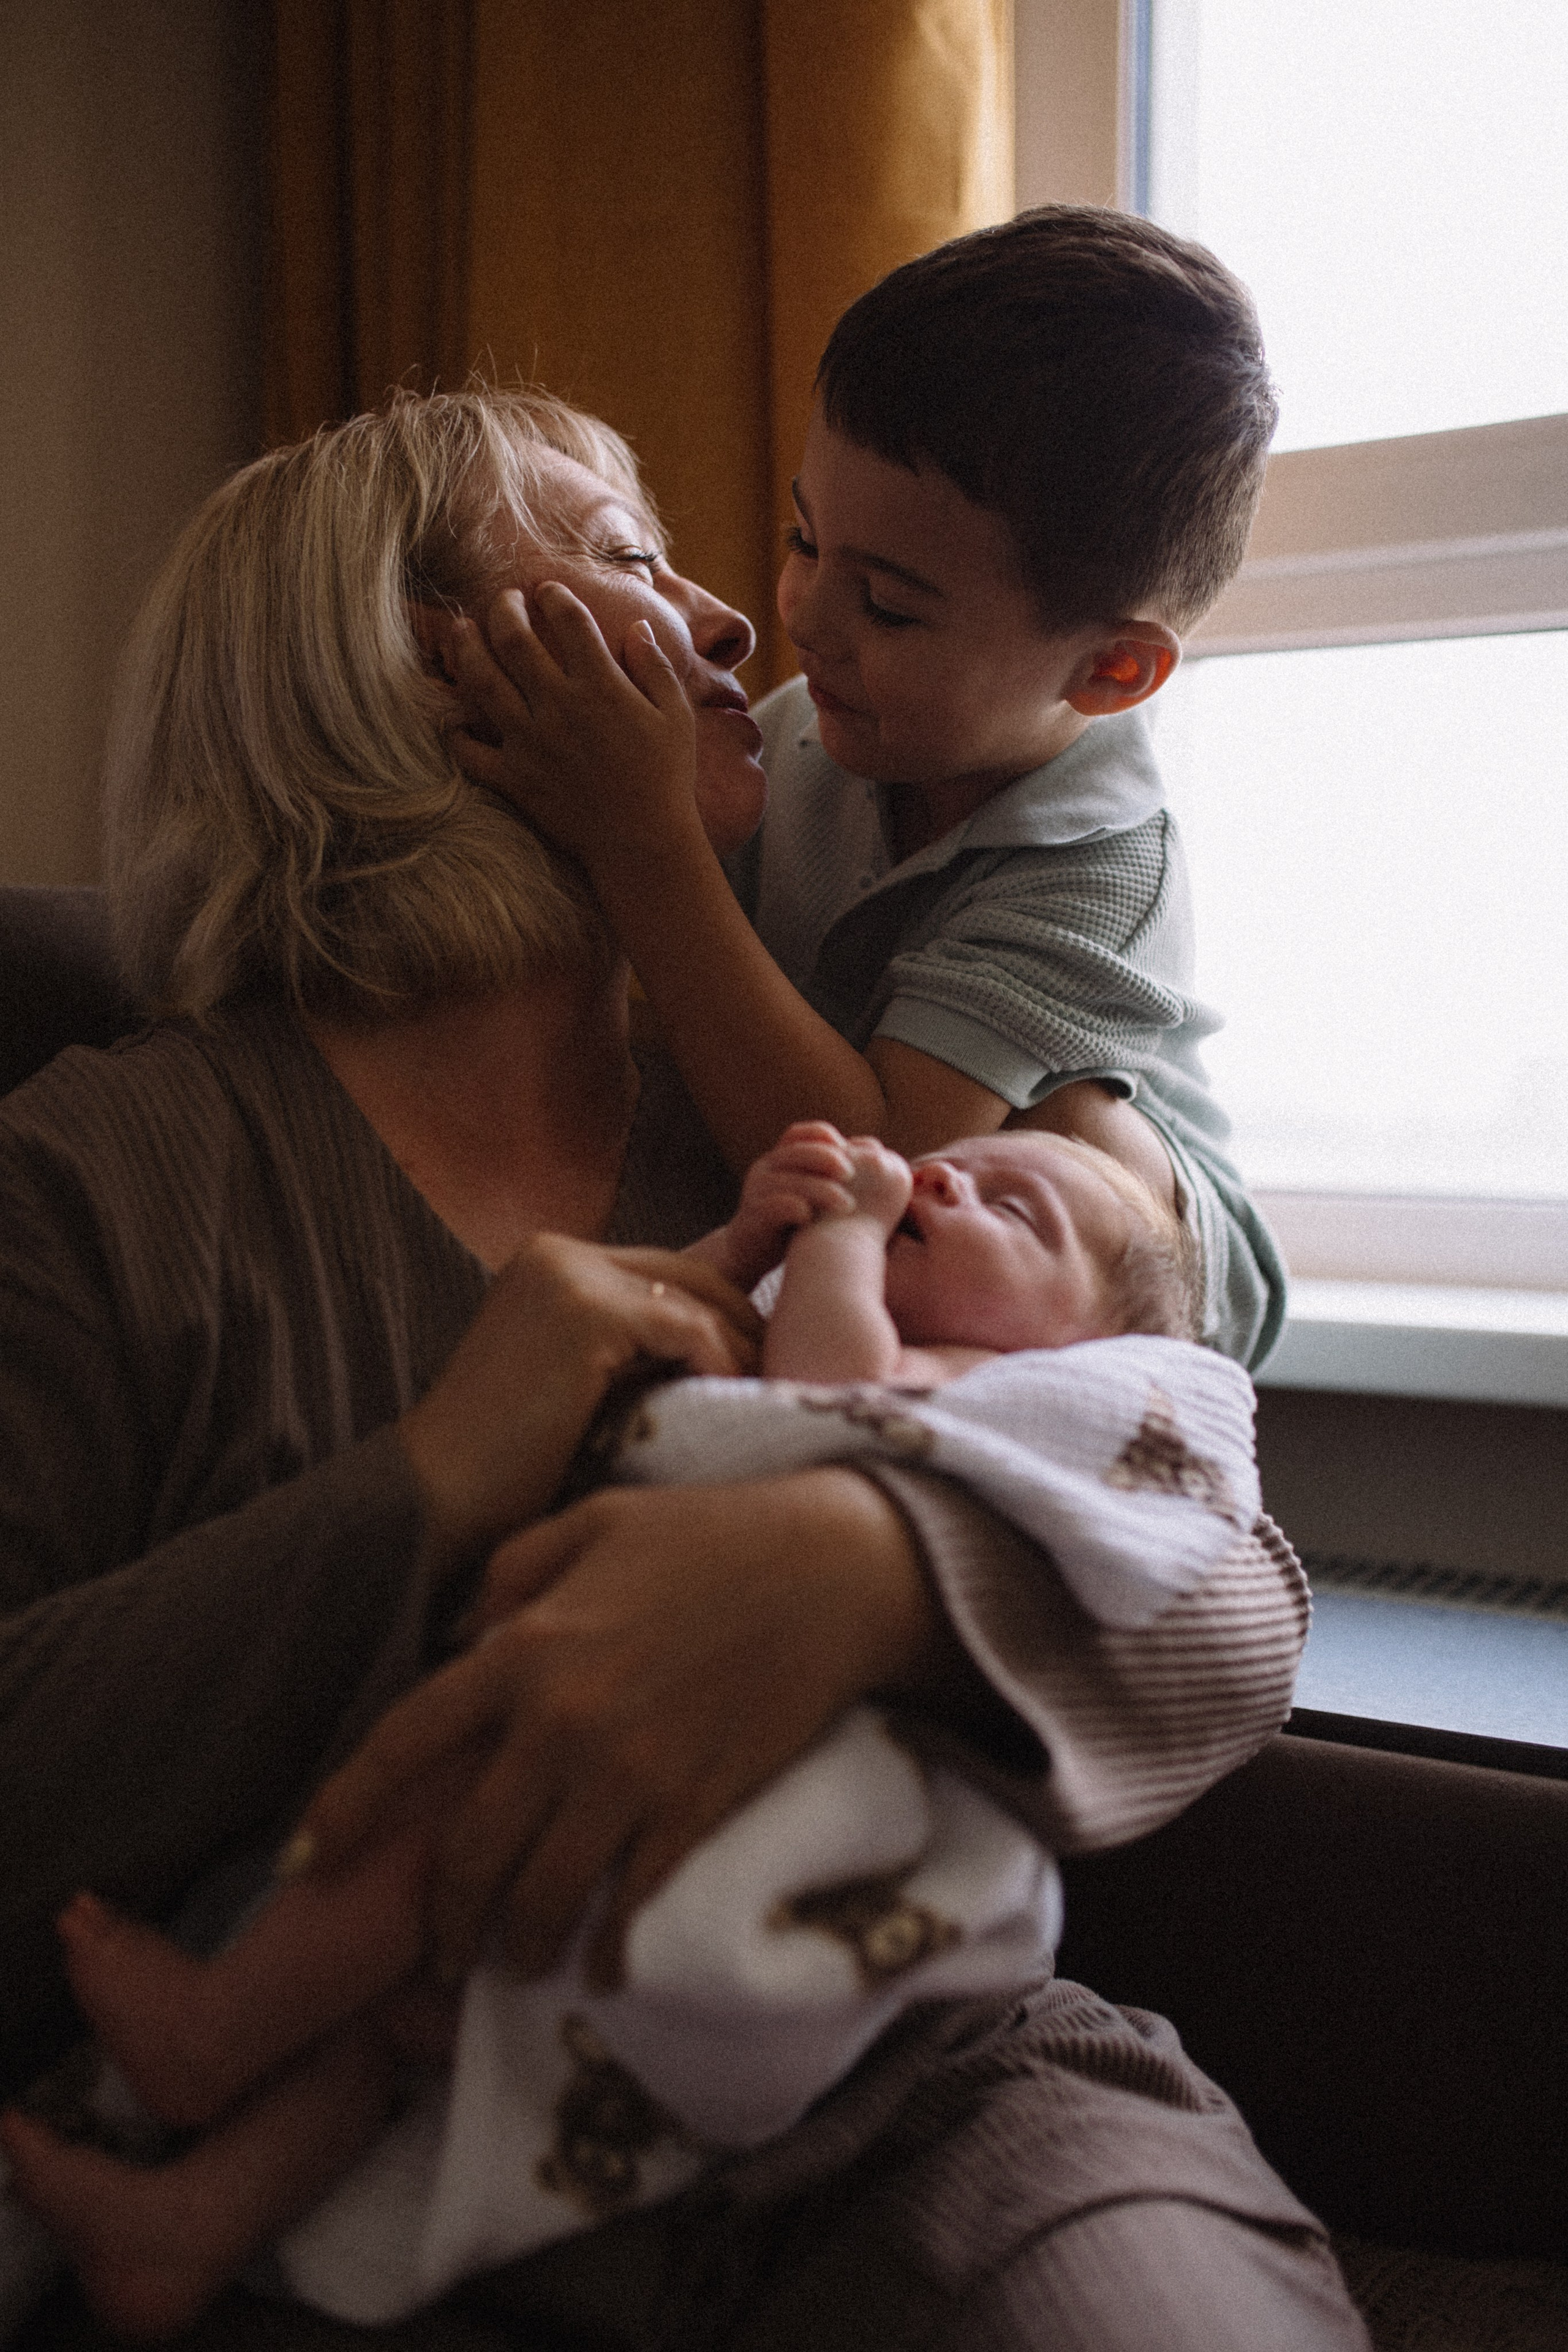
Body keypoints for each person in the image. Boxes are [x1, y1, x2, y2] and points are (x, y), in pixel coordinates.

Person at [0, 388, 1366, 2351]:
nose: (736, 620)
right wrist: (427, 1483)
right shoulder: (103, 1181)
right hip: (394, 2137)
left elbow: (1225, 1566)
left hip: (910, 2077)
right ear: (407, 670)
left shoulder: (813, 1131)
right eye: (628, 560)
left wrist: (872, 1568)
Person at [439, 204, 1289, 1371]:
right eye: (802, 541)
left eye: (888, 605)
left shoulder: (1102, 862)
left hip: (1144, 1274)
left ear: (1109, 669)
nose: (799, 618)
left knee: (1061, 1146)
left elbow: (872, 1158)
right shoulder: (799, 743)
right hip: (882, 1175)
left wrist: (645, 843)